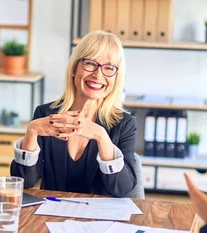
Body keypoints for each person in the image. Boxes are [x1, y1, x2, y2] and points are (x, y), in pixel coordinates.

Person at [10, 31, 137, 198]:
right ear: (74, 69)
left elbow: (122, 189)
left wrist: (101, 136)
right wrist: (31, 131)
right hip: (52, 216)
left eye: (109, 68)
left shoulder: (124, 124)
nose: (98, 75)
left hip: (100, 220)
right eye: (90, 64)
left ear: (116, 78)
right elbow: (23, 181)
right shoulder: (46, 115)